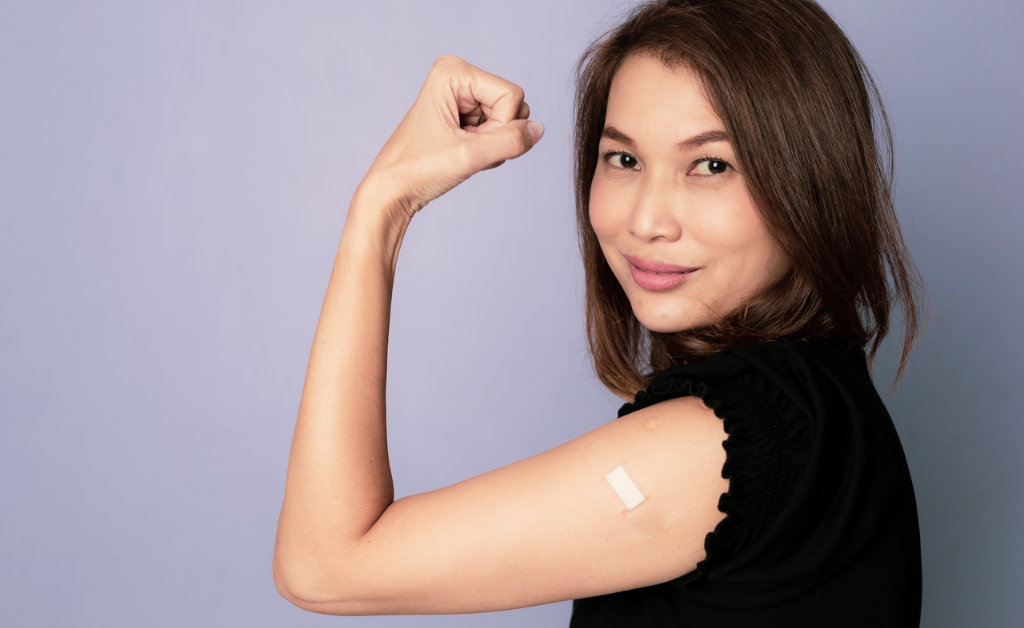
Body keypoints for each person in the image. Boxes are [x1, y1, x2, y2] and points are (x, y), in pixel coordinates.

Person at [273, 0, 924, 625]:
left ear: (809, 181)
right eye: (624, 159)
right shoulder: (826, 405)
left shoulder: (723, 446)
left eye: (711, 164)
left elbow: (325, 566)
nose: (645, 220)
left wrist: (381, 208)